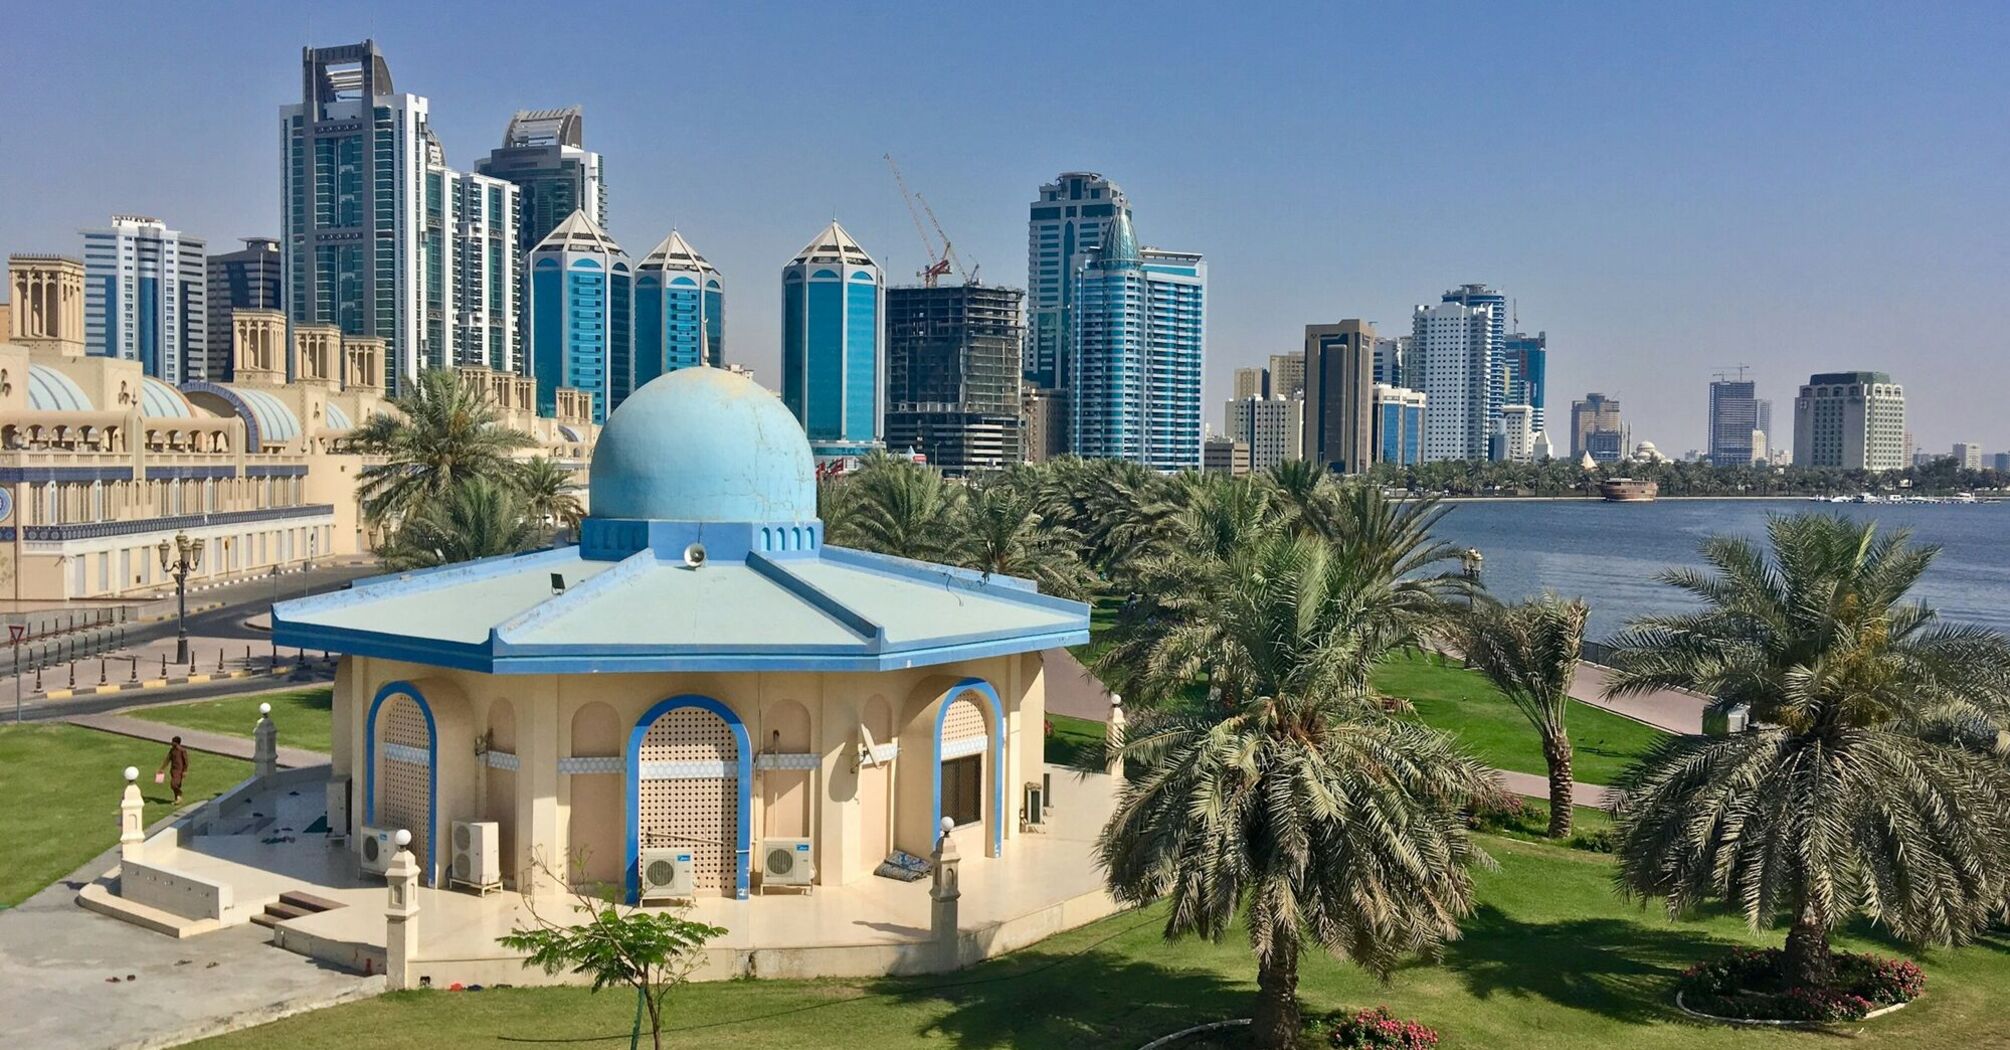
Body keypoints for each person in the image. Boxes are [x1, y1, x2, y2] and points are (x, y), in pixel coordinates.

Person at [157, 736, 189, 805]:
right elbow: (167, 759)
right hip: (173, 770)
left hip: (179, 770)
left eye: (173, 742)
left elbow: (186, 761)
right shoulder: (172, 750)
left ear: (176, 743)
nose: (171, 743)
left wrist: (185, 771)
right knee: (176, 784)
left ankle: (179, 794)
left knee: (173, 784)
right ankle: (177, 799)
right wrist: (162, 768)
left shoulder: (182, 750)